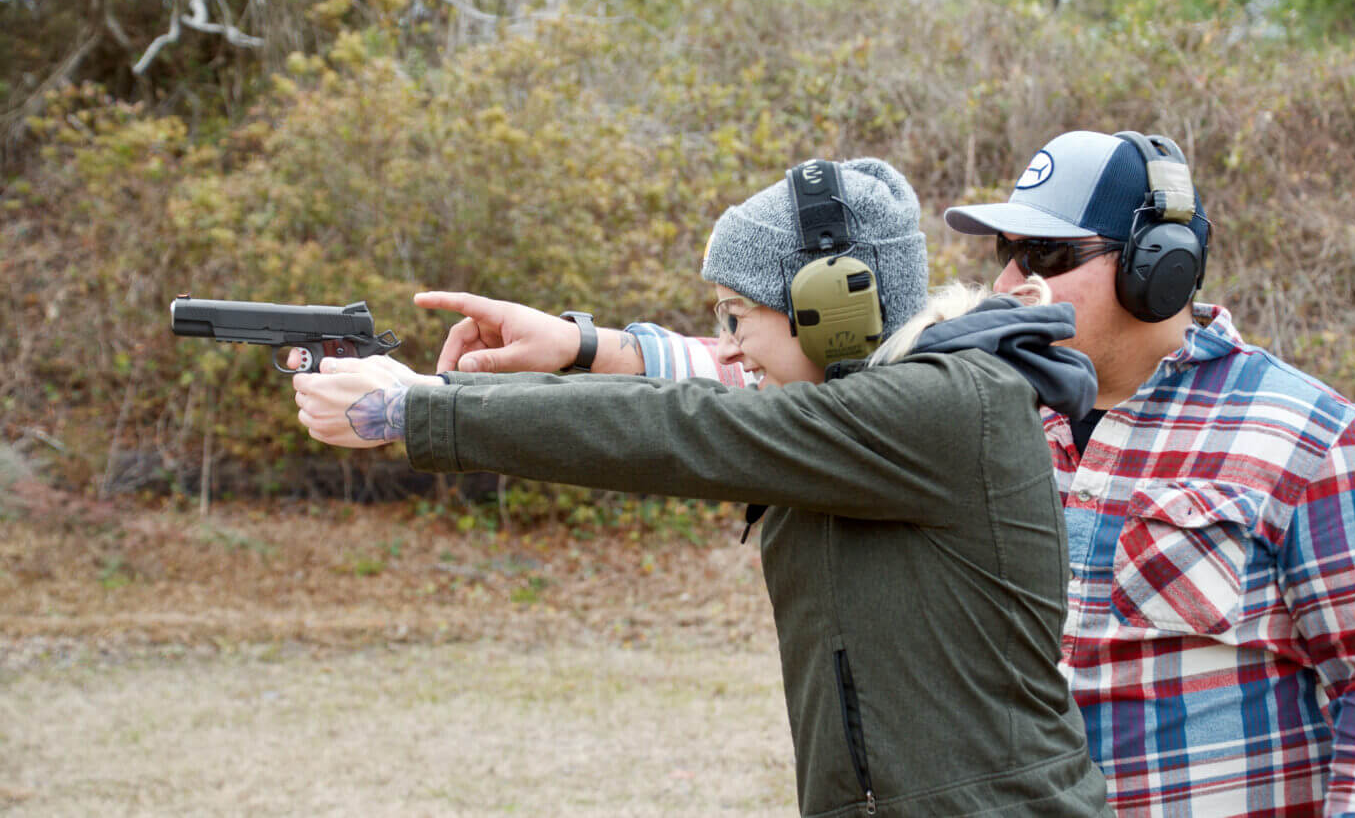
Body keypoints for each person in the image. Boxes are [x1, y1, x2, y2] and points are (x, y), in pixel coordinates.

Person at [420, 132, 1355, 817]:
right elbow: (775, 398)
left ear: (1162, 265)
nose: (1017, 276)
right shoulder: (985, 397)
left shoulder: (1310, 442)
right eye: (1006, 249)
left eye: (1051, 253)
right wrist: (587, 347)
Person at [292, 158, 1112, 816]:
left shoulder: (941, 406)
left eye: (734, 314)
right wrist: (568, 346)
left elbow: (681, 426)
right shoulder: (857, 413)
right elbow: (691, 394)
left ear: (832, 303)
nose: (726, 345)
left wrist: (413, 408)